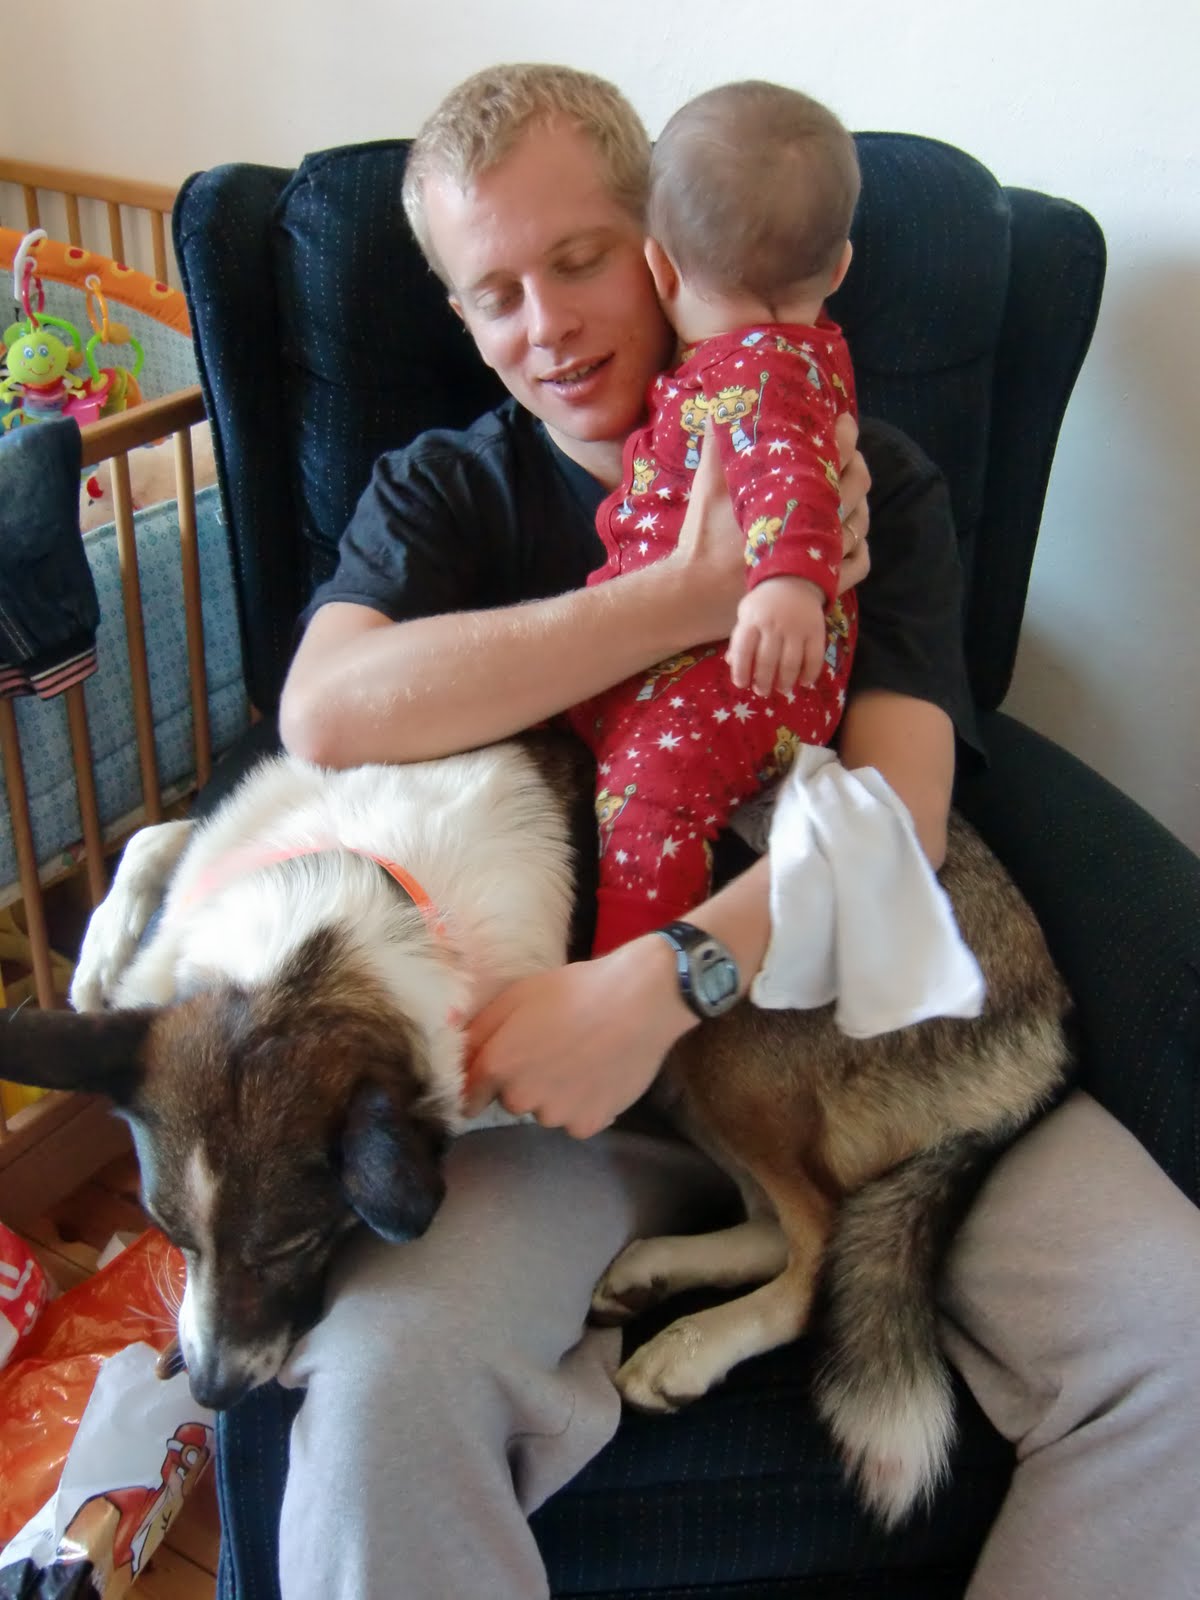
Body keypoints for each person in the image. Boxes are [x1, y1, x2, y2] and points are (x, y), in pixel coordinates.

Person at [276, 63, 1200, 1600]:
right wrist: (682, 601)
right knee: (382, 1396)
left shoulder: (857, 476)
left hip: (839, 1031)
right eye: (494, 294)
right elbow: (324, 711)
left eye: (578, 260)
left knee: (1178, 1336)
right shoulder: (447, 493)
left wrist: (664, 985)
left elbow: (902, 814)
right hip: (548, 1111)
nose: (546, 326)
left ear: (662, 246)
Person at [567, 80, 861, 953]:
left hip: (744, 669)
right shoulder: (792, 359)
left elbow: (789, 476)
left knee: (652, 805)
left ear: (659, 269)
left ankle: (625, 978)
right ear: (839, 269)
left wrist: (786, 587)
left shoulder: (758, 373)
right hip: (710, 660)